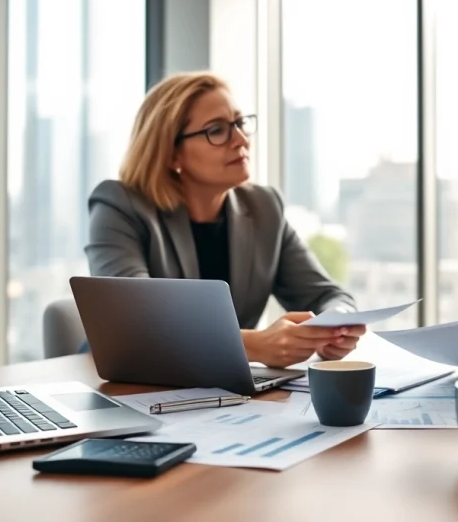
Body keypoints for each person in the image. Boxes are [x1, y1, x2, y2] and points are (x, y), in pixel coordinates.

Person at [85, 71, 362, 368]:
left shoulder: (264, 207)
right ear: (171, 154)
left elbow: (327, 295)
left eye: (240, 123)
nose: (241, 139)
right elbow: (133, 322)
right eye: (216, 130)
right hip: (124, 379)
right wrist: (253, 345)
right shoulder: (119, 206)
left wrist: (337, 324)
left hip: (222, 386)